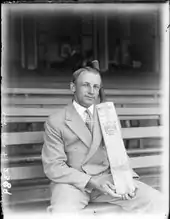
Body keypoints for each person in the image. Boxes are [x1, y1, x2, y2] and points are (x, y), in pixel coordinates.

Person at [41, 66, 165, 214]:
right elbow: (53, 166)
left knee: (157, 201)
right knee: (63, 211)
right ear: (73, 87)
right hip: (72, 184)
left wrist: (125, 179)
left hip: (108, 180)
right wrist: (91, 181)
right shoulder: (56, 121)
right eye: (86, 85)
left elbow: (119, 152)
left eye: (96, 86)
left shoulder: (108, 116)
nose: (91, 91)